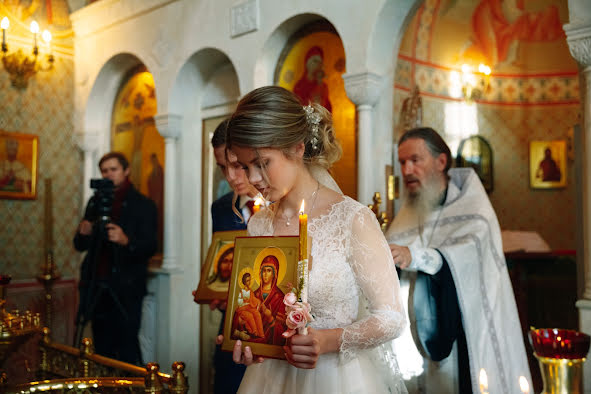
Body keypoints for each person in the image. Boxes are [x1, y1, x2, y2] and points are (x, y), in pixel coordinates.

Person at [223, 85, 407, 394]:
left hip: (337, 380)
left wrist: (327, 340)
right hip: (270, 381)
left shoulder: (352, 219)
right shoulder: (258, 224)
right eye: (244, 166)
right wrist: (250, 341)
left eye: (262, 163)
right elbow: (259, 311)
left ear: (296, 148)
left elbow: (391, 318)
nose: (252, 179)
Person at [385, 127, 532, 393]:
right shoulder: (407, 212)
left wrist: (414, 256)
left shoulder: (474, 209)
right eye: (402, 162)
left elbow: (467, 257)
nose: (406, 170)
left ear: (441, 162)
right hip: (412, 337)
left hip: (462, 332)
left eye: (415, 160)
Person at [191, 118, 258, 394]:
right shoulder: (220, 208)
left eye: (237, 166)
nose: (230, 177)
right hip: (230, 327)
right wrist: (216, 290)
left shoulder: (282, 204)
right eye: (222, 167)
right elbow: (223, 259)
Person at [74, 152, 157, 365]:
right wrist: (83, 232)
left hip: (126, 289)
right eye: (104, 171)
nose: (108, 174)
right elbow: (79, 246)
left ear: (126, 170)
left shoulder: (143, 204)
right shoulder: (96, 202)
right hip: (97, 286)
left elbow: (150, 246)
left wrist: (125, 240)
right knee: (101, 349)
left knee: (127, 348)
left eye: (113, 169)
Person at [293, 46, 332, 112]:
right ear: (307, 62)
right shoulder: (299, 86)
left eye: (320, 62)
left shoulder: (323, 86)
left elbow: (327, 110)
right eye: (315, 61)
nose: (318, 65)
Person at [233, 272, 264, 339]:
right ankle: (254, 332)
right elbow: (238, 301)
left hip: (249, 307)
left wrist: (258, 301)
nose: (249, 282)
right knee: (250, 315)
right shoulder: (241, 291)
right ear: (244, 281)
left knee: (257, 313)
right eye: (247, 280)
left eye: (249, 280)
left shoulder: (250, 291)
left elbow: (253, 299)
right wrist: (243, 300)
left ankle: (261, 334)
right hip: (242, 308)